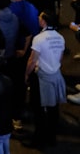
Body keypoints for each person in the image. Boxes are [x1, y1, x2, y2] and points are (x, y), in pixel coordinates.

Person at [25, 10, 67, 148]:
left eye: (40, 17)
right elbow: (60, 58)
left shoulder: (39, 38)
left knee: (38, 109)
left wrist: (27, 74)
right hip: (55, 75)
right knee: (53, 109)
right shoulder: (60, 38)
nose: (38, 18)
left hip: (41, 77)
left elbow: (32, 60)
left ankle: (38, 139)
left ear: (44, 21)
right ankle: (51, 137)